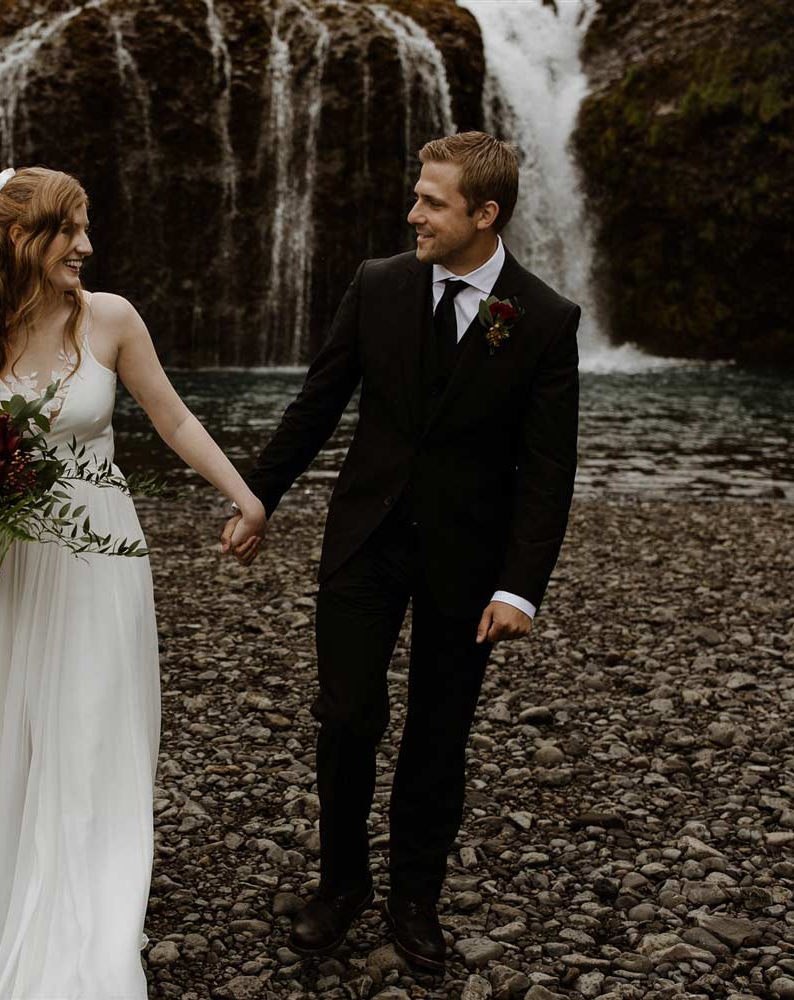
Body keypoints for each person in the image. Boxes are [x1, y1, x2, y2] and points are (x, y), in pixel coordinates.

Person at [222, 131, 581, 971]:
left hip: (467, 558)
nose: (412, 212)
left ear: (485, 214)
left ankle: (414, 897)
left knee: (438, 729)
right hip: (365, 539)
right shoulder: (379, 284)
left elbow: (548, 471)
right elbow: (320, 400)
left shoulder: (545, 318)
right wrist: (258, 497)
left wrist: (521, 588)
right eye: (417, 194)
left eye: (432, 201)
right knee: (348, 716)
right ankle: (340, 884)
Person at [0, 166, 266, 999]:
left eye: (84, 227)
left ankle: (91, 912)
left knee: (92, 726)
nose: (86, 244)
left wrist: (244, 493)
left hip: (103, 552)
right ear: (18, 240)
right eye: (68, 230)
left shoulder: (110, 319)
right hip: (4, 565)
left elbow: (173, 416)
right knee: (6, 725)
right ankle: (3, 902)